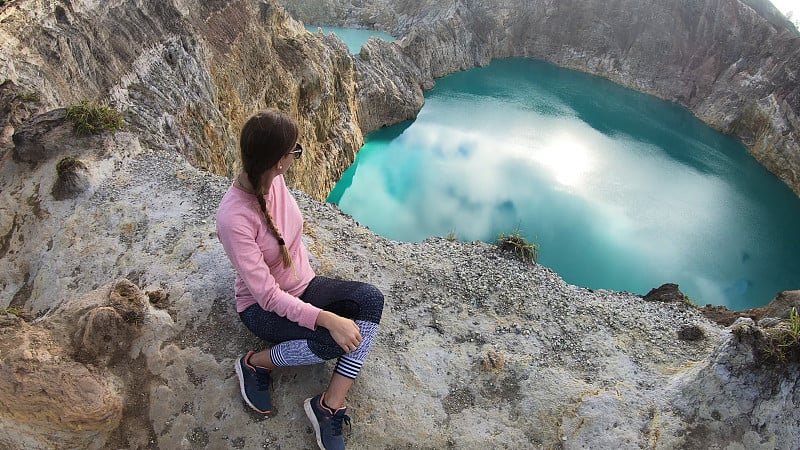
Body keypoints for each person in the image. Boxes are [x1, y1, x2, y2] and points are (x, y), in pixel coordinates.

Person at [215, 109, 384, 450]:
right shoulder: (233, 219)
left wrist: (326, 312)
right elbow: (267, 297)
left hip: (305, 286)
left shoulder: (272, 180)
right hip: (262, 309)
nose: (297, 155)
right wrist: (327, 318)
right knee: (331, 341)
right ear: (279, 161)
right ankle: (253, 364)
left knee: (371, 300)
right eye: (295, 150)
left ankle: (328, 405)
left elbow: (287, 237)